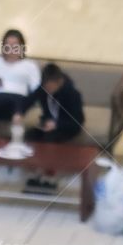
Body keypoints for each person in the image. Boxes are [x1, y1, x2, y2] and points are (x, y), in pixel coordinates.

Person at [24, 63, 86, 194]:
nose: (48, 90)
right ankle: (34, 172)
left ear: (59, 82)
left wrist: (56, 124)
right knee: (30, 135)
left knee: (50, 139)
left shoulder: (72, 94)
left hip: (66, 126)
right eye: (46, 87)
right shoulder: (43, 88)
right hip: (48, 125)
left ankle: (49, 175)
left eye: (51, 87)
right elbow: (29, 100)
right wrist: (19, 112)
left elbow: (78, 121)